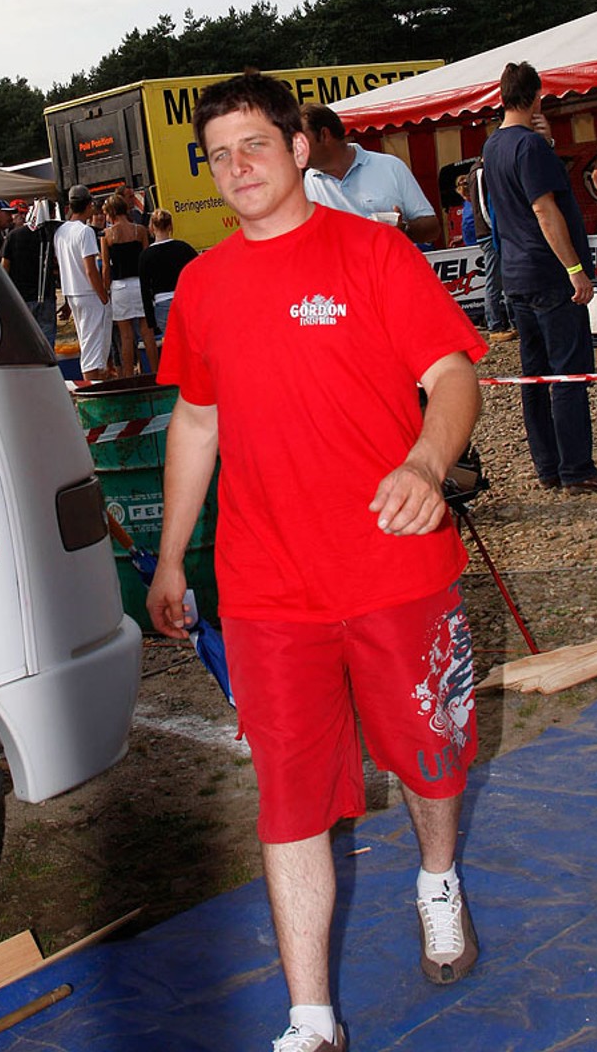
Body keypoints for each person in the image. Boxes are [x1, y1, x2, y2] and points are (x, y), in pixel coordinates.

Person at [146, 72, 485, 1052]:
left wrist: (427, 457)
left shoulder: (371, 253)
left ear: (299, 148)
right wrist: (172, 559)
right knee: (289, 798)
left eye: (255, 143)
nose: (239, 167)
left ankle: (436, 877)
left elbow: (451, 373)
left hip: (394, 571)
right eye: (220, 154)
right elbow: (196, 421)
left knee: (429, 763)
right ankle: (312, 1020)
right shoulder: (203, 285)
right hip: (266, 590)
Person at [483, 62, 597, 494]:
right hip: (548, 272)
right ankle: (576, 467)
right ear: (535, 97)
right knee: (567, 372)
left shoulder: (494, 147)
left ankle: (548, 466)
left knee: (534, 375)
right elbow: (544, 210)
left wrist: (544, 141)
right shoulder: (529, 148)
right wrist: (575, 270)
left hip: (516, 273)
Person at [299, 102, 440, 244]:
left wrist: (403, 231)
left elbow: (432, 227)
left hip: (390, 264)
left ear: (324, 135)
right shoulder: (307, 183)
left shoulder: (390, 166)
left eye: (301, 140)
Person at [54, 184, 112, 383]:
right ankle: (93, 389)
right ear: (88, 206)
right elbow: (90, 269)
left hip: (72, 292)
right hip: (88, 293)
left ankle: (95, 384)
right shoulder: (85, 232)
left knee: (88, 343)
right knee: (93, 349)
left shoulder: (60, 231)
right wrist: (103, 296)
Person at [100, 194, 160, 376]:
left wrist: (105, 289)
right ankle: (157, 373)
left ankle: (128, 375)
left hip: (120, 287)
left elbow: (105, 267)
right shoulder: (140, 230)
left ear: (110, 213)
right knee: (147, 332)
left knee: (126, 336)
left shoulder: (107, 236)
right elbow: (148, 259)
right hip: (140, 284)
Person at [465, 157, 516, 343]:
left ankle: (512, 322)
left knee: (504, 278)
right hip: (490, 232)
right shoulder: (480, 172)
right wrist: (494, 228)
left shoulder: (481, 170)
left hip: (492, 231)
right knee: (494, 281)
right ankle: (495, 325)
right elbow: (482, 205)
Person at [2, 198, 59, 346]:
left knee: (25, 339)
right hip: (45, 295)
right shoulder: (50, 235)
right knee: (47, 337)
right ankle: (47, 365)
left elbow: (4, 267)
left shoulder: (13, 236)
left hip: (22, 296)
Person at [138, 209, 197, 339]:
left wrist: (150, 320)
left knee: (173, 343)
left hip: (162, 303)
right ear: (170, 226)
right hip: (184, 300)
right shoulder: (184, 248)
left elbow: (145, 289)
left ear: (152, 228)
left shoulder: (146, 256)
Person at [455, 175, 476, 246]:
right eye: (463, 196)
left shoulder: (479, 202)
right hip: (469, 244)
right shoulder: (466, 204)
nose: (466, 198)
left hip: (480, 242)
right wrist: (462, 237)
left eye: (467, 195)